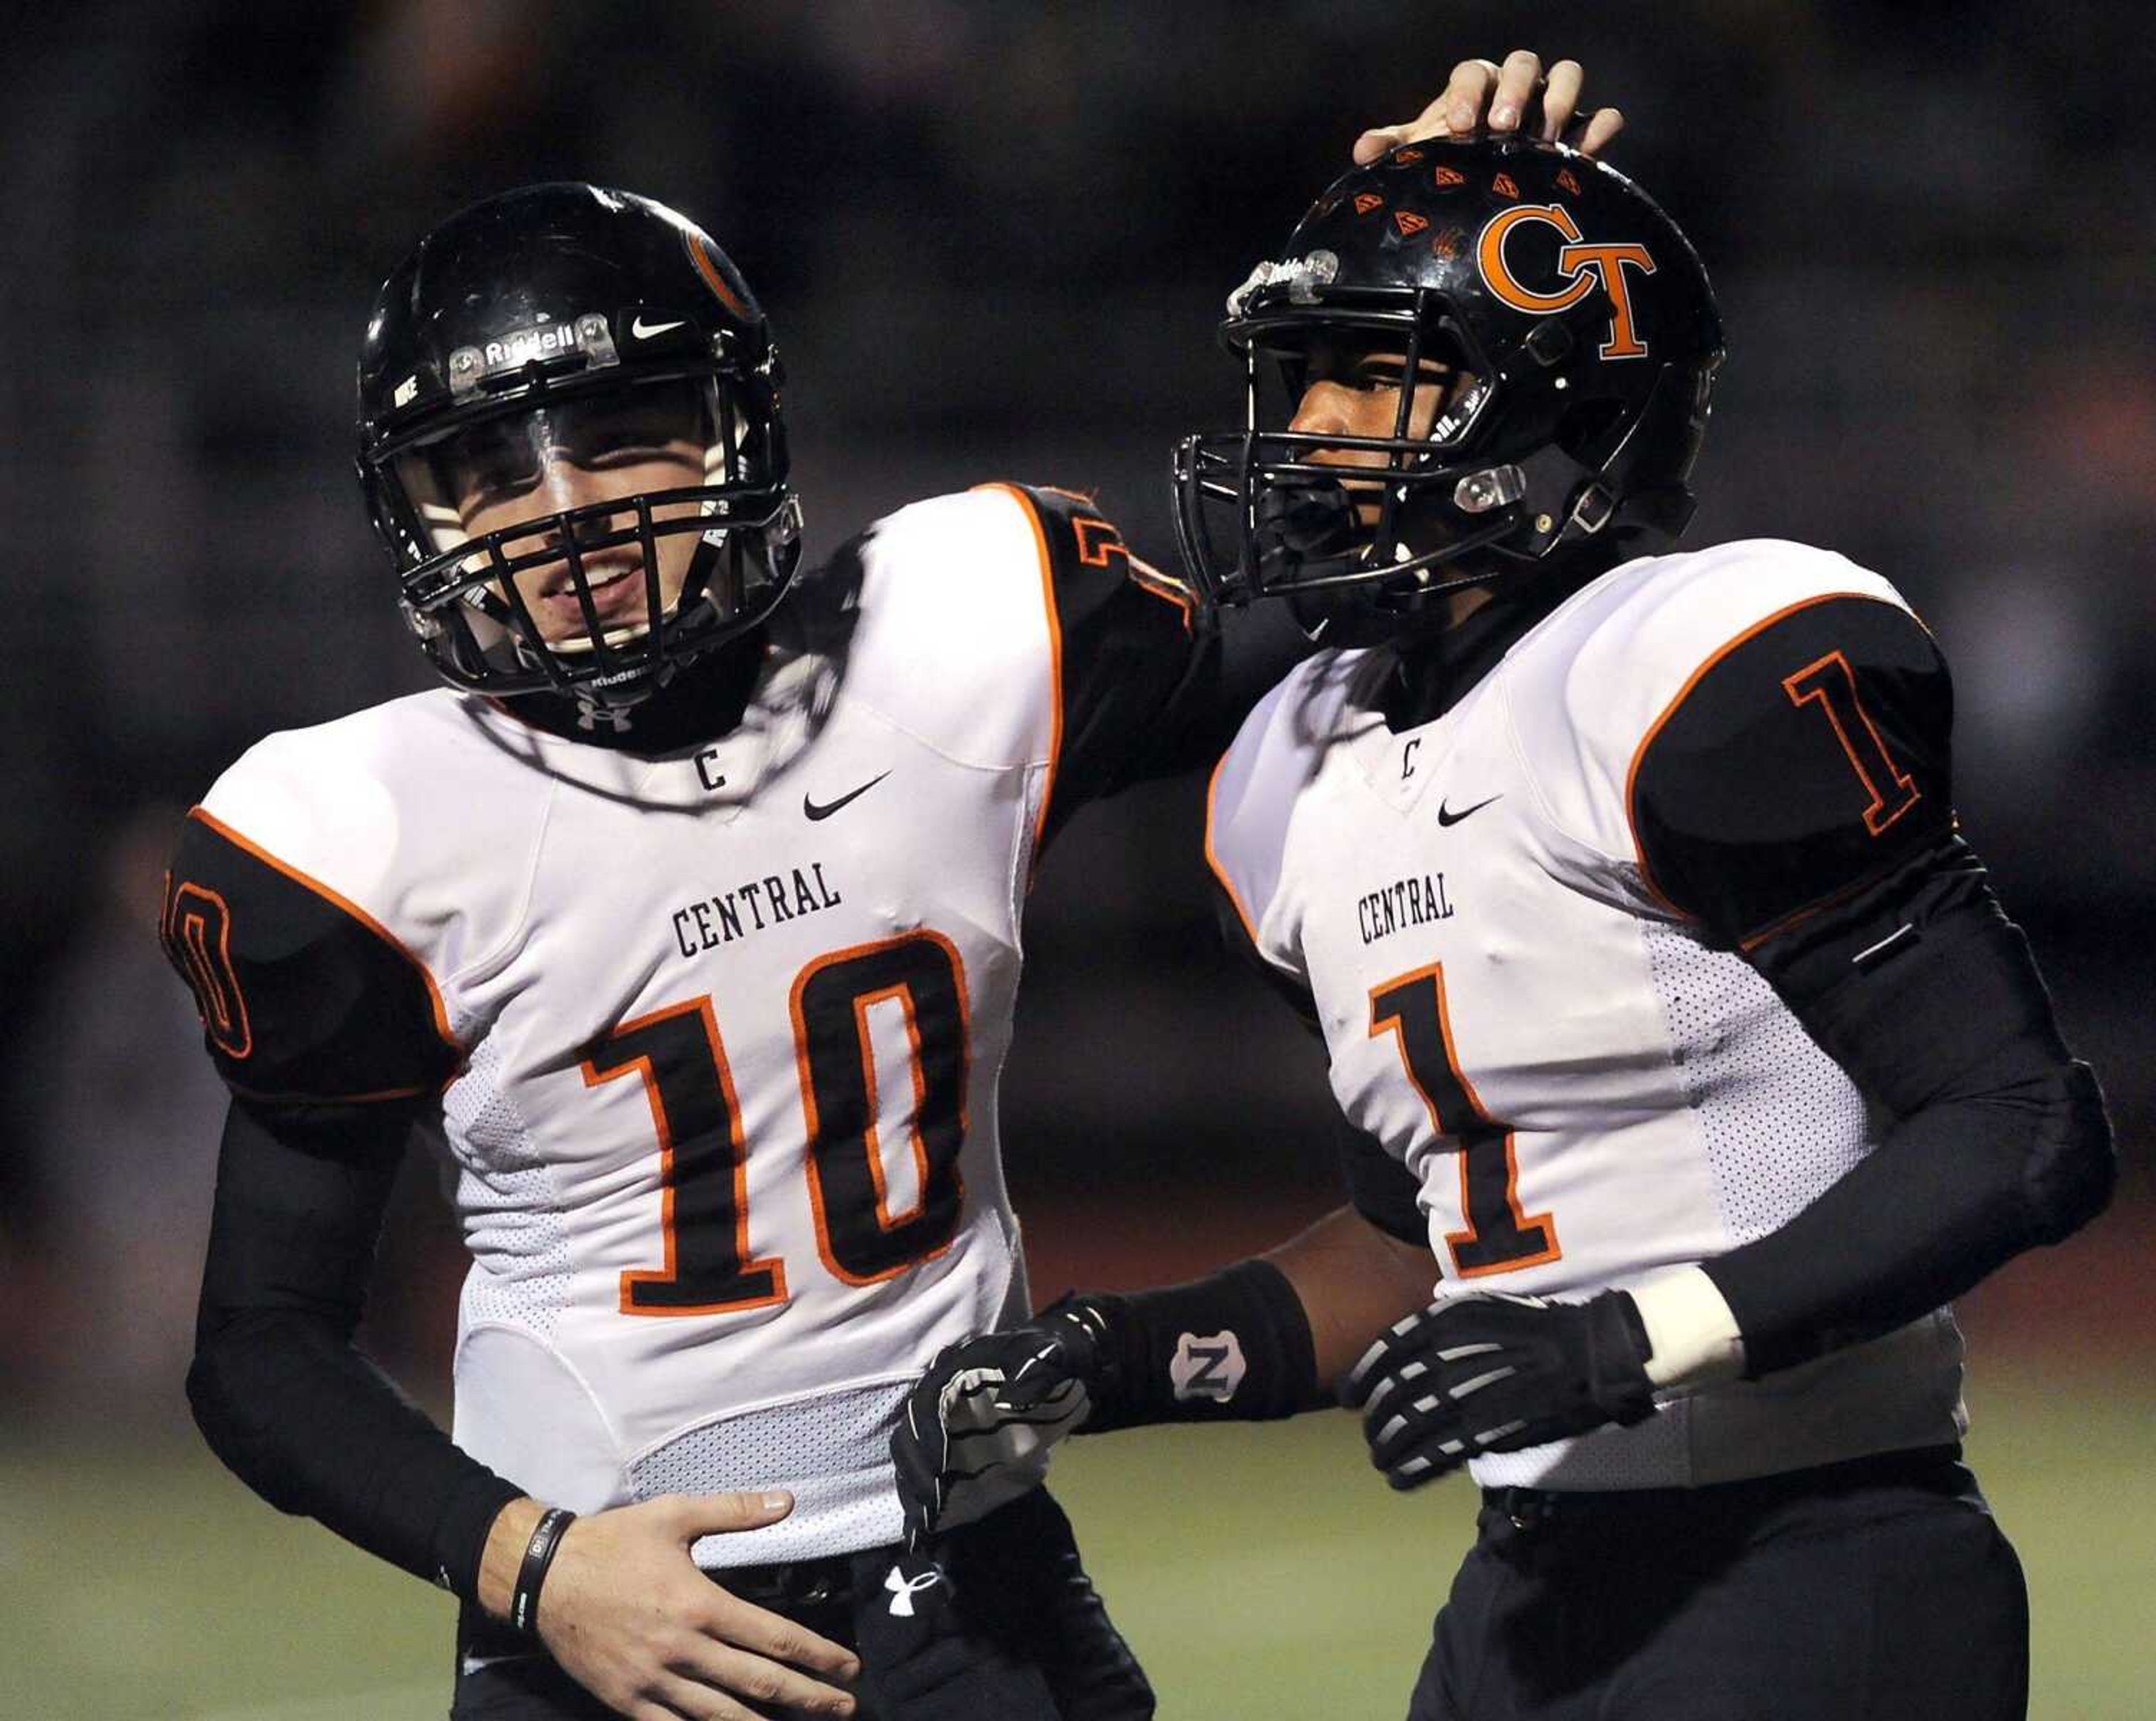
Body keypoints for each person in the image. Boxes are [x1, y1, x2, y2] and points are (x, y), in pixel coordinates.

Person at [158, 51, 1619, 1721]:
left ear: (738, 428)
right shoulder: (353, 823)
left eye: (621, 435)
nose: (561, 517)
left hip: (974, 1584)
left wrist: (1417, 285)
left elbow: (1371, 583)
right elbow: (259, 1353)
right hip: (610, 1623)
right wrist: (535, 1563)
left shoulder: (965, 629)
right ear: (409, 515)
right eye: (490, 473)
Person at [890, 130, 2117, 1720]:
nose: (1307, 429)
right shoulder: (1299, 772)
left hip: (1812, 1555)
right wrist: (1115, 1356)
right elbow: (1419, 1249)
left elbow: (2021, 1127)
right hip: (1525, 1593)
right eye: (1299, 378)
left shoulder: (1689, 667)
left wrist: (1627, 1340)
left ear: (1548, 405)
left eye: (1366, 379)